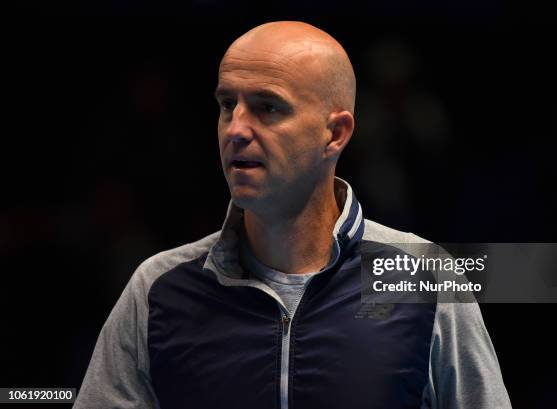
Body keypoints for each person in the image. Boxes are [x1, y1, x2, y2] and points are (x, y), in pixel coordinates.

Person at [74, 21, 512, 409]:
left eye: (268, 107)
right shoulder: (157, 288)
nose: (236, 129)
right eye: (228, 105)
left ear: (335, 133)